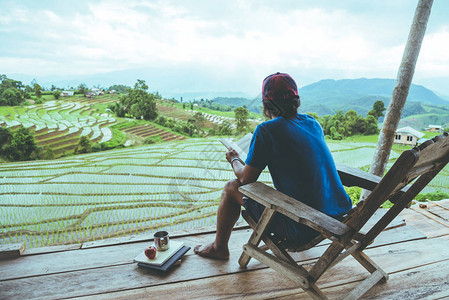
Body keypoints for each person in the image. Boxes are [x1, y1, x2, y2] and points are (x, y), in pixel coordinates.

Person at [194, 72, 352, 260]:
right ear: (297, 100)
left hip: (302, 225)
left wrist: (234, 159)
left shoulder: (267, 130)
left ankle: (219, 247)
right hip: (338, 215)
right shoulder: (313, 123)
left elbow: (245, 179)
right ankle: (218, 247)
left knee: (231, 187)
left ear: (266, 105)